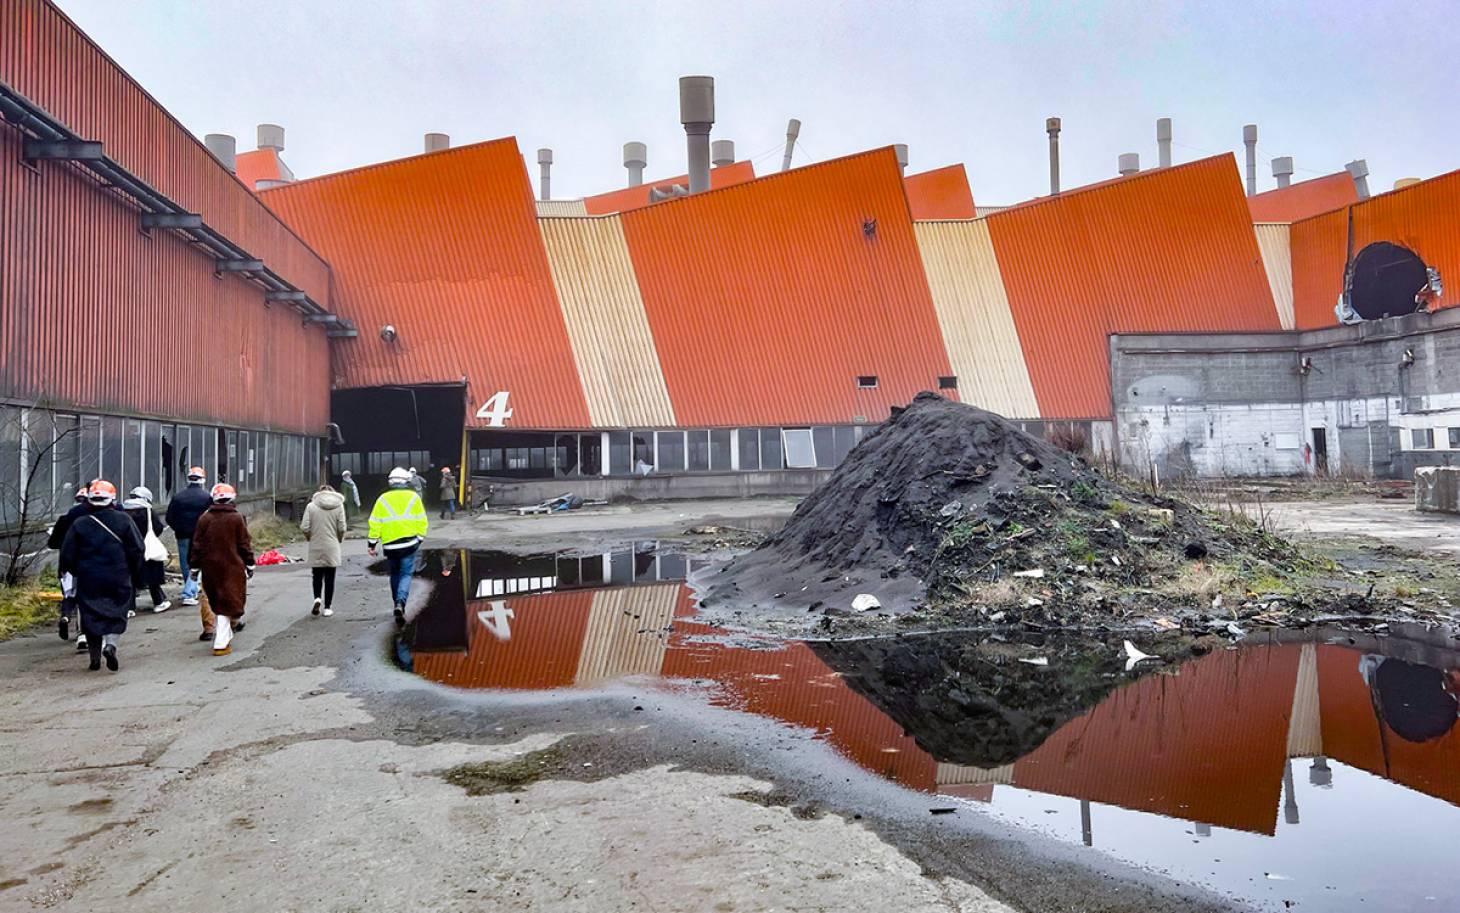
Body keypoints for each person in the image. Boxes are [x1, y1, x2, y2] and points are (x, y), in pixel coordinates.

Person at [59, 480, 143, 672]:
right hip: (118, 575)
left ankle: (94, 658)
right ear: (112, 499)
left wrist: (75, 570)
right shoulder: (124, 520)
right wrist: (134, 572)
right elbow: (137, 549)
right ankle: (111, 646)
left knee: (90, 615)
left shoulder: (79, 524)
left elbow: (67, 554)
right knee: (117, 612)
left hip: (89, 577)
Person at [191, 483, 255, 656]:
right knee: (229, 603)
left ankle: (225, 635)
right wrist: (250, 563)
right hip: (232, 567)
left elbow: (197, 545)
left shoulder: (204, 518)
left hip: (210, 568)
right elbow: (244, 544)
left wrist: (194, 567)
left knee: (218, 603)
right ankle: (221, 643)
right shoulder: (236, 518)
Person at [368, 466, 429, 628]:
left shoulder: (382, 499)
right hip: (410, 543)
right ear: (406, 481)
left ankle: (396, 602)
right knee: (406, 574)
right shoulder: (413, 497)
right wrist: (420, 538)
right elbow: (422, 520)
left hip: (389, 545)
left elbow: (374, 523)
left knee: (394, 573)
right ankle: (401, 602)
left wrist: (372, 543)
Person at [48, 486, 90, 649]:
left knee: (68, 594)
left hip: (65, 563)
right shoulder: (91, 519)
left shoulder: (64, 519)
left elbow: (52, 543)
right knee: (84, 598)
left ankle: (65, 616)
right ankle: (82, 633)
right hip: (85, 562)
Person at [122, 487, 171, 613]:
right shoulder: (147, 511)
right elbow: (158, 527)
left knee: (130, 578)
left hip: (129, 548)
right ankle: (159, 602)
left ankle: (129, 608)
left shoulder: (124, 510)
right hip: (147, 547)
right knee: (153, 578)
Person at [300, 484, 347, 617]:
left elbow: (304, 527)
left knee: (317, 575)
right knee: (330, 577)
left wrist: (310, 538)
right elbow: (342, 527)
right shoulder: (339, 506)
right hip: (332, 545)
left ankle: (317, 599)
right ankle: (327, 608)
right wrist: (339, 539)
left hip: (316, 544)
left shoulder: (311, 506)